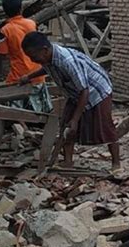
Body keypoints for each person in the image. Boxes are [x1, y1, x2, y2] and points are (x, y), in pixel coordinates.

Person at [20, 32, 120, 170]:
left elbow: (84, 91)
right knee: (65, 127)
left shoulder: (67, 61)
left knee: (105, 128)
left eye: (33, 56)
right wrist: (29, 76)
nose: (32, 60)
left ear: (44, 50)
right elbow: (46, 68)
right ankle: (68, 162)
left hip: (96, 90)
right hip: (75, 92)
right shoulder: (48, 57)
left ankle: (116, 164)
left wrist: (75, 120)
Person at [0, 0, 52, 113]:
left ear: (5, 11)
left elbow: (1, 55)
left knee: (14, 110)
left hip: (18, 76)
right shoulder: (31, 23)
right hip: (37, 73)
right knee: (41, 111)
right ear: (21, 8)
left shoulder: (5, 30)